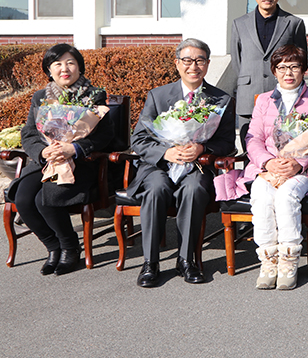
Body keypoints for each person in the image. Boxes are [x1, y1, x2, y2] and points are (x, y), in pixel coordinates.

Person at [127, 38, 237, 288]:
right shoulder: (158, 95)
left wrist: (202, 147)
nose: (193, 66)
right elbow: (139, 138)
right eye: (187, 60)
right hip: (160, 165)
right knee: (156, 190)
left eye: (199, 60)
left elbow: (227, 142)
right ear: (177, 64)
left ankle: (187, 260)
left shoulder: (221, 99)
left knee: (194, 188)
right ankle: (150, 263)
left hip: (197, 166)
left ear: (208, 64)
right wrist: (166, 153)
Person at [9, 44, 115, 276]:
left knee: (45, 199)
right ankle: (53, 247)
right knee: (24, 198)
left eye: (70, 62)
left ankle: (70, 248)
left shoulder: (94, 95)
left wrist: (74, 147)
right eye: (57, 64)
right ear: (49, 69)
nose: (64, 68)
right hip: (46, 161)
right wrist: (42, 152)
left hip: (80, 163)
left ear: (79, 67)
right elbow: (28, 133)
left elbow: (106, 135)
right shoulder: (40, 97)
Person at [236, 45, 308, 291]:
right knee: (261, 194)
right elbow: (253, 138)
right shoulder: (264, 100)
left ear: (303, 70)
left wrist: (297, 164)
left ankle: (289, 259)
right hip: (269, 167)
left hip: (302, 170)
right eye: (282, 67)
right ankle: (268, 260)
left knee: (287, 195)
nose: (288, 72)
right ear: (274, 71)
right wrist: (268, 162)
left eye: (294, 66)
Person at [227, 0, 307, 137]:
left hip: (283, 97)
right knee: (250, 149)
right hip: (248, 97)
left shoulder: (293, 23)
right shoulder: (239, 24)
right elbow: (237, 61)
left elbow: (301, 61)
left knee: (283, 149)